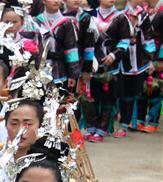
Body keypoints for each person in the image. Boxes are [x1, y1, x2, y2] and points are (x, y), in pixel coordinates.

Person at [105, 0, 156, 136]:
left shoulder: (142, 15)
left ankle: (124, 125)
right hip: (112, 59)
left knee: (128, 93)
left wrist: (151, 59)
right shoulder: (115, 14)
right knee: (111, 93)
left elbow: (148, 38)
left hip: (134, 61)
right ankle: (105, 125)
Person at [84, 0, 121, 142]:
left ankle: (102, 129)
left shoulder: (120, 16)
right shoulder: (88, 15)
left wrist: (114, 54)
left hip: (110, 63)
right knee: (90, 95)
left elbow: (125, 39)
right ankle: (91, 127)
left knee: (107, 96)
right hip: (91, 61)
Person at [30, 0, 82, 90]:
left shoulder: (67, 23)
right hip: (39, 70)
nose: (56, 1)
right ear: (44, 1)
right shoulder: (36, 21)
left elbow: (71, 49)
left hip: (60, 70)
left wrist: (73, 74)